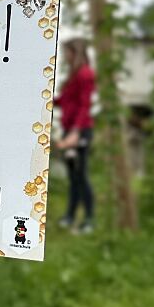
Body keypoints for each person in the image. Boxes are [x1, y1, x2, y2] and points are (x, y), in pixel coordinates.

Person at [54, 38, 95, 234]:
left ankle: (89, 219)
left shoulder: (86, 74)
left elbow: (84, 105)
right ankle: (70, 216)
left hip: (79, 131)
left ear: (75, 52)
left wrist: (75, 133)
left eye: (67, 52)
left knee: (80, 175)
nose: (65, 56)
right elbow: (65, 101)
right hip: (69, 129)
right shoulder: (73, 75)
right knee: (73, 176)